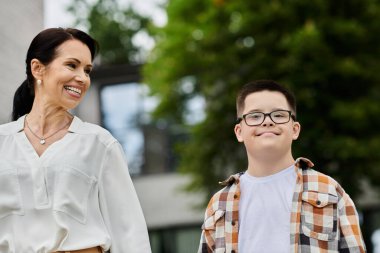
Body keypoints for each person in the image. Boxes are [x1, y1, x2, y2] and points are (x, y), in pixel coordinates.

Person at [0, 28, 151, 253]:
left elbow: (129, 234)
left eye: (87, 70)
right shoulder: (3, 142)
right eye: (72, 65)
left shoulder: (99, 144)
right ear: (38, 68)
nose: (82, 78)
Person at [198, 80, 366, 253]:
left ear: (295, 129)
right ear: (239, 132)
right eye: (255, 116)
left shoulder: (329, 190)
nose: (267, 122)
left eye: (278, 115)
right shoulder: (219, 204)